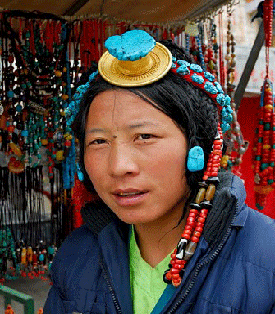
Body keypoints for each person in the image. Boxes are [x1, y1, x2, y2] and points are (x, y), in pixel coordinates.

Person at [44, 30, 275, 314]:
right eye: (99, 141)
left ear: (197, 145)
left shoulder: (268, 259)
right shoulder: (75, 256)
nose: (119, 167)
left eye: (144, 137)